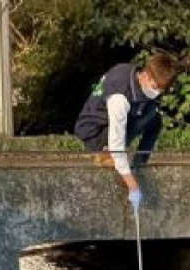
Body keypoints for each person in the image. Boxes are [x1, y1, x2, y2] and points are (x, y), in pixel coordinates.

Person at [74, 53, 178, 210]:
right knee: (142, 120)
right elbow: (117, 142)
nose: (157, 93)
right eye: (155, 87)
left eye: (161, 90)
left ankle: (139, 163)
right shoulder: (119, 97)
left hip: (111, 123)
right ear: (146, 75)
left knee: (155, 119)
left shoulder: (134, 77)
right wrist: (132, 185)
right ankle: (102, 154)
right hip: (95, 133)